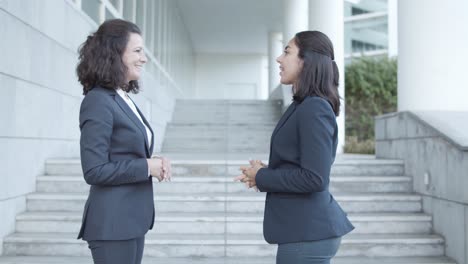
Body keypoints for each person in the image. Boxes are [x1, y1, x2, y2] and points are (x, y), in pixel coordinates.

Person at [235, 31, 354, 264]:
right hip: (303, 232)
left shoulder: (314, 108)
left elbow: (314, 177)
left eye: (287, 52)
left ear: (306, 60)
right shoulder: (303, 105)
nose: (279, 59)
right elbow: (303, 165)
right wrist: (266, 171)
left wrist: (262, 176)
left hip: (307, 234)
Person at [76, 19, 171, 264]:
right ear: (115, 54)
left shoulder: (121, 97)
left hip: (130, 221)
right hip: (113, 224)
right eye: (137, 51)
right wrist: (145, 167)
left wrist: (154, 161)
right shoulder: (98, 101)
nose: (144, 58)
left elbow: (125, 152)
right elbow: (94, 170)